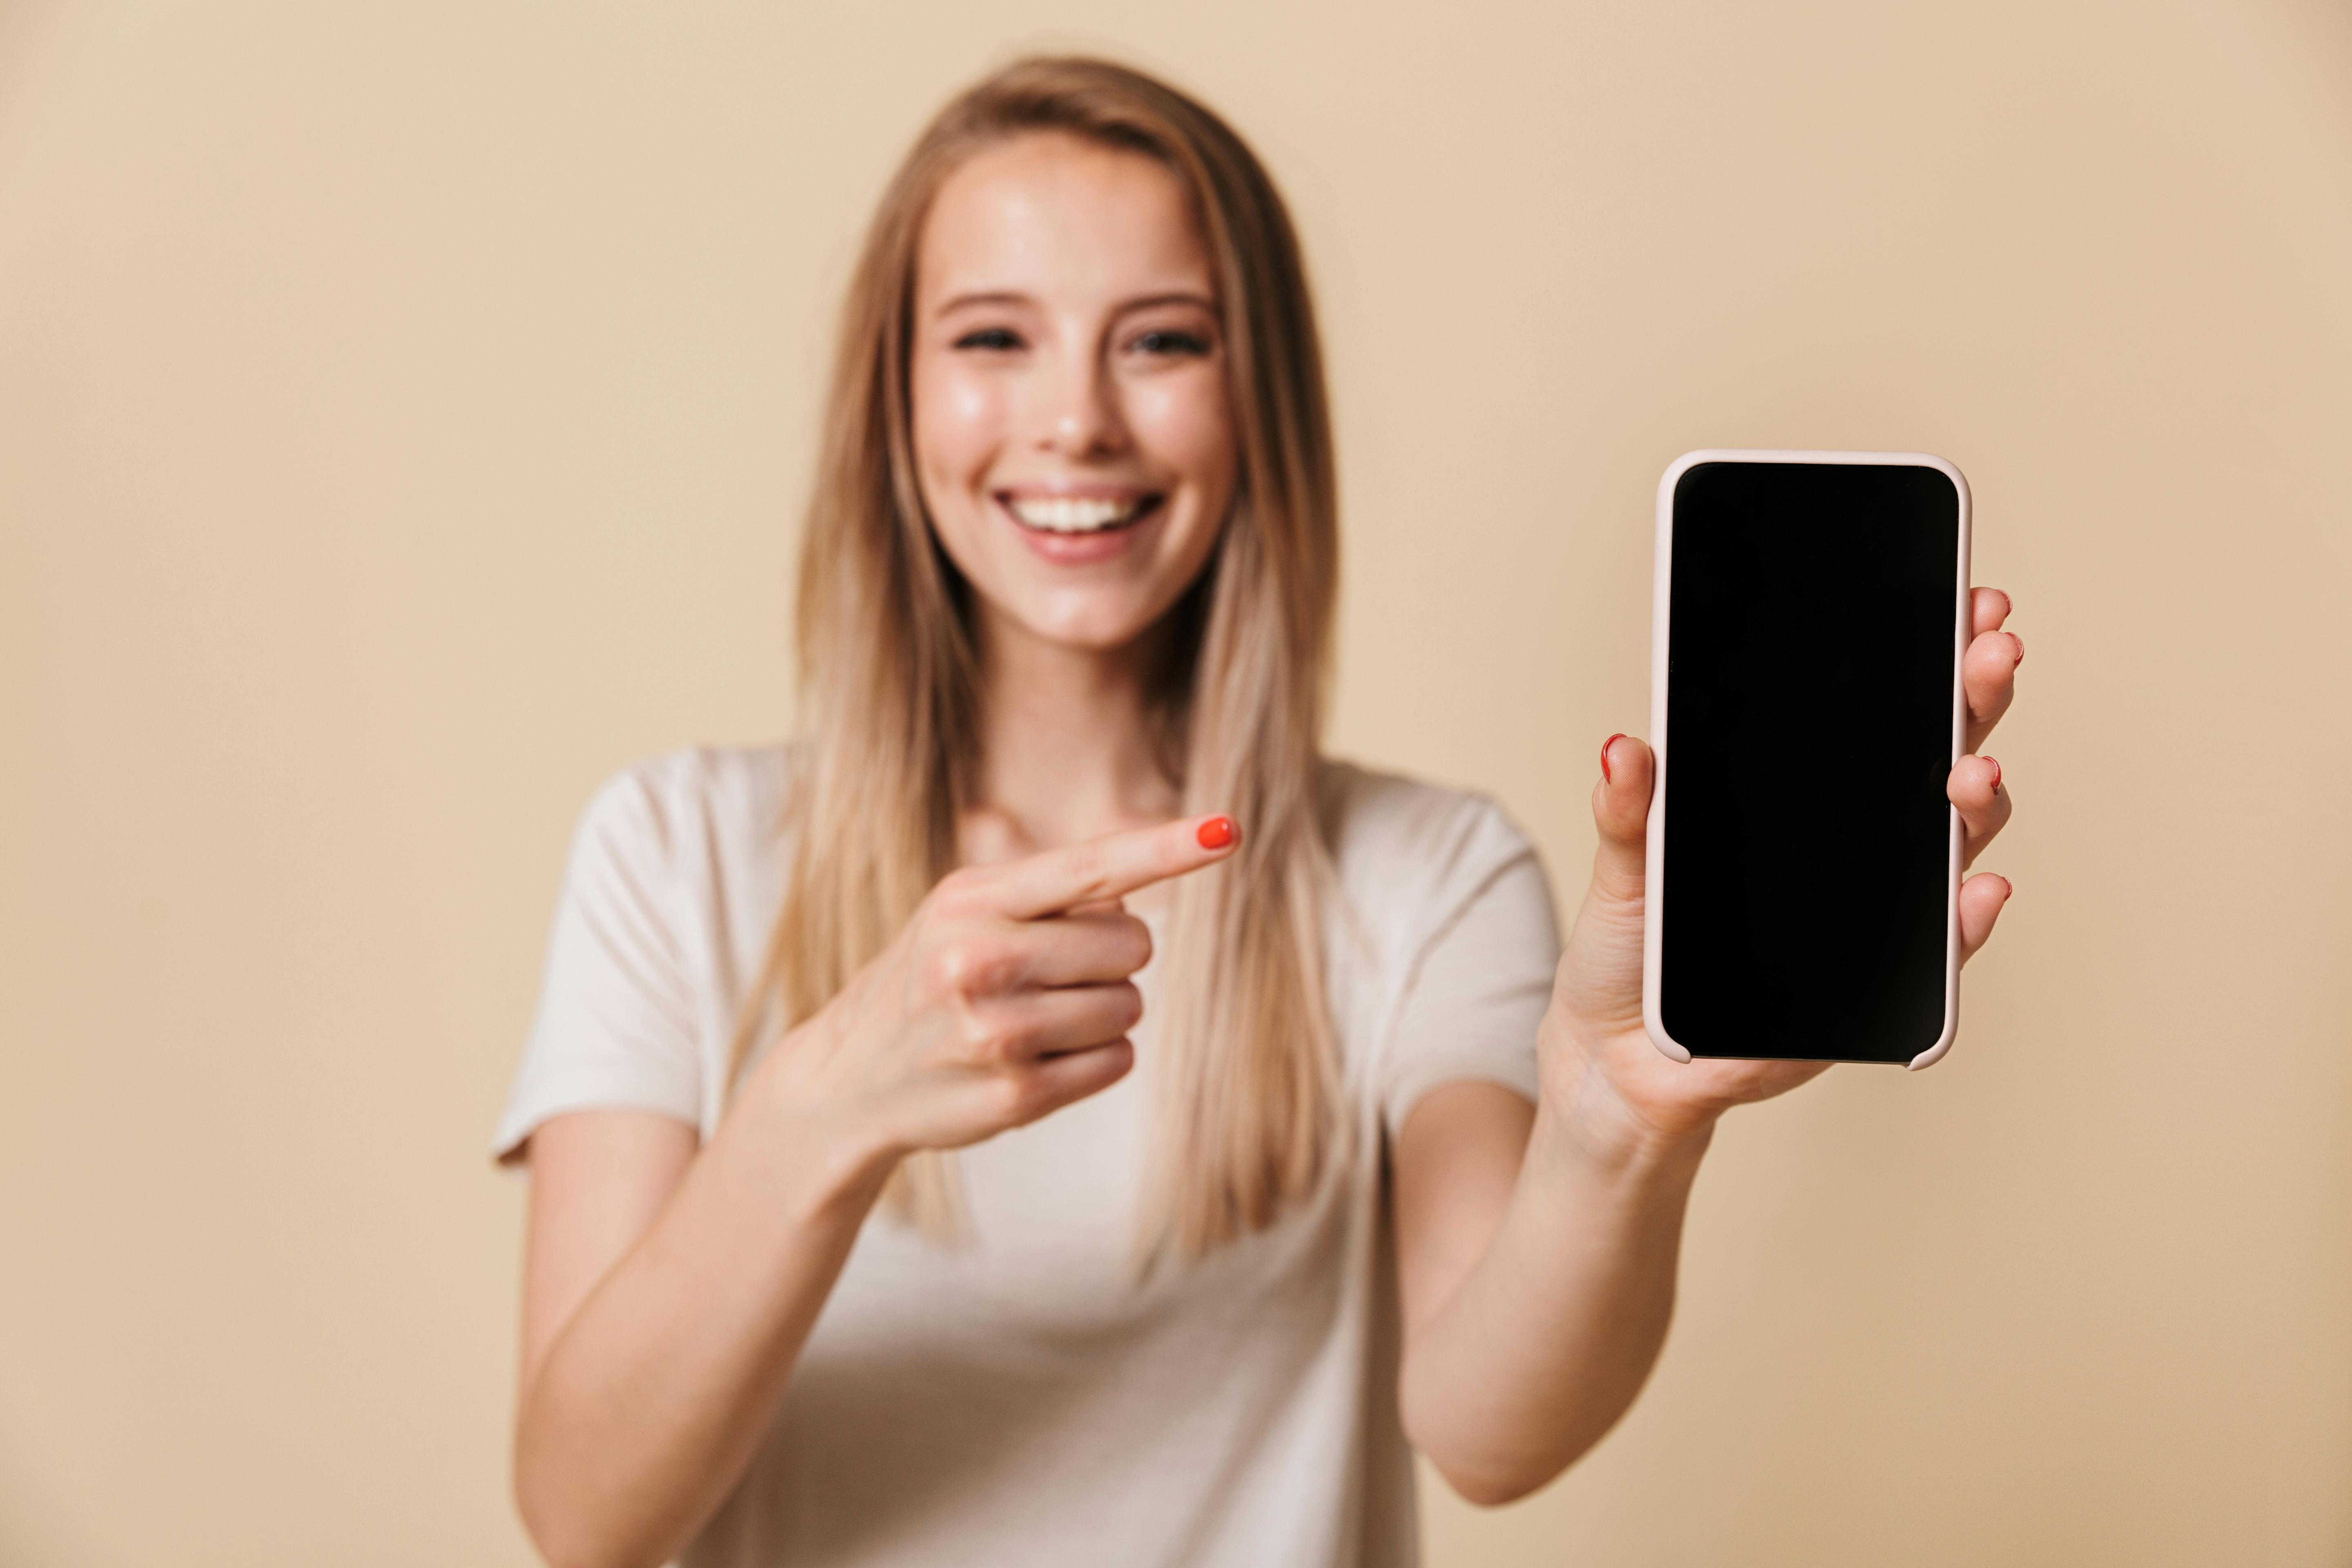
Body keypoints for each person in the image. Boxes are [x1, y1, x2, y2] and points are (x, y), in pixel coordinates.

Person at [494, 55, 2022, 1568]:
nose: (1078, 420)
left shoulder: (1429, 876)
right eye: (994, 337)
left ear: (1257, 397)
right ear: (895, 395)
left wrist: (1616, 1130)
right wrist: (818, 1109)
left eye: (1161, 340)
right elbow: (586, 1515)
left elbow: (1492, 1431)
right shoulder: (672, 854)